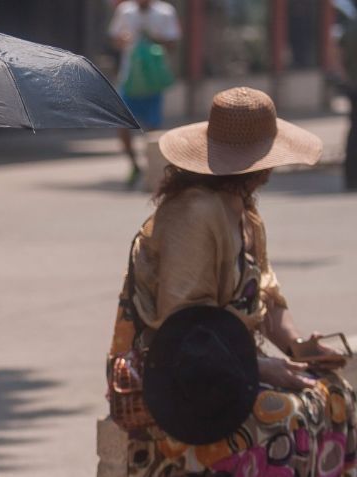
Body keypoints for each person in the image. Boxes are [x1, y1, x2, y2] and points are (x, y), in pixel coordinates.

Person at [107, 87, 356, 475]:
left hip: (230, 367)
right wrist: (260, 368)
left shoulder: (243, 210)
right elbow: (185, 326)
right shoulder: (194, 213)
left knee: (335, 394)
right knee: (286, 418)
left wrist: (298, 346)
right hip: (179, 380)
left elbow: (266, 296)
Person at [108, 0, 181, 188]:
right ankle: (134, 165)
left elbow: (173, 43)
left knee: (152, 131)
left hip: (153, 81)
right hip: (129, 78)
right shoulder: (126, 11)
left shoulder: (165, 12)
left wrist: (154, 38)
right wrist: (123, 40)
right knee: (122, 125)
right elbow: (114, 38)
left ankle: (153, 171)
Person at [340, 9, 357, 191]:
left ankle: (350, 176)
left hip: (353, 85)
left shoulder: (349, 29)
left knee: (353, 132)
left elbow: (340, 57)